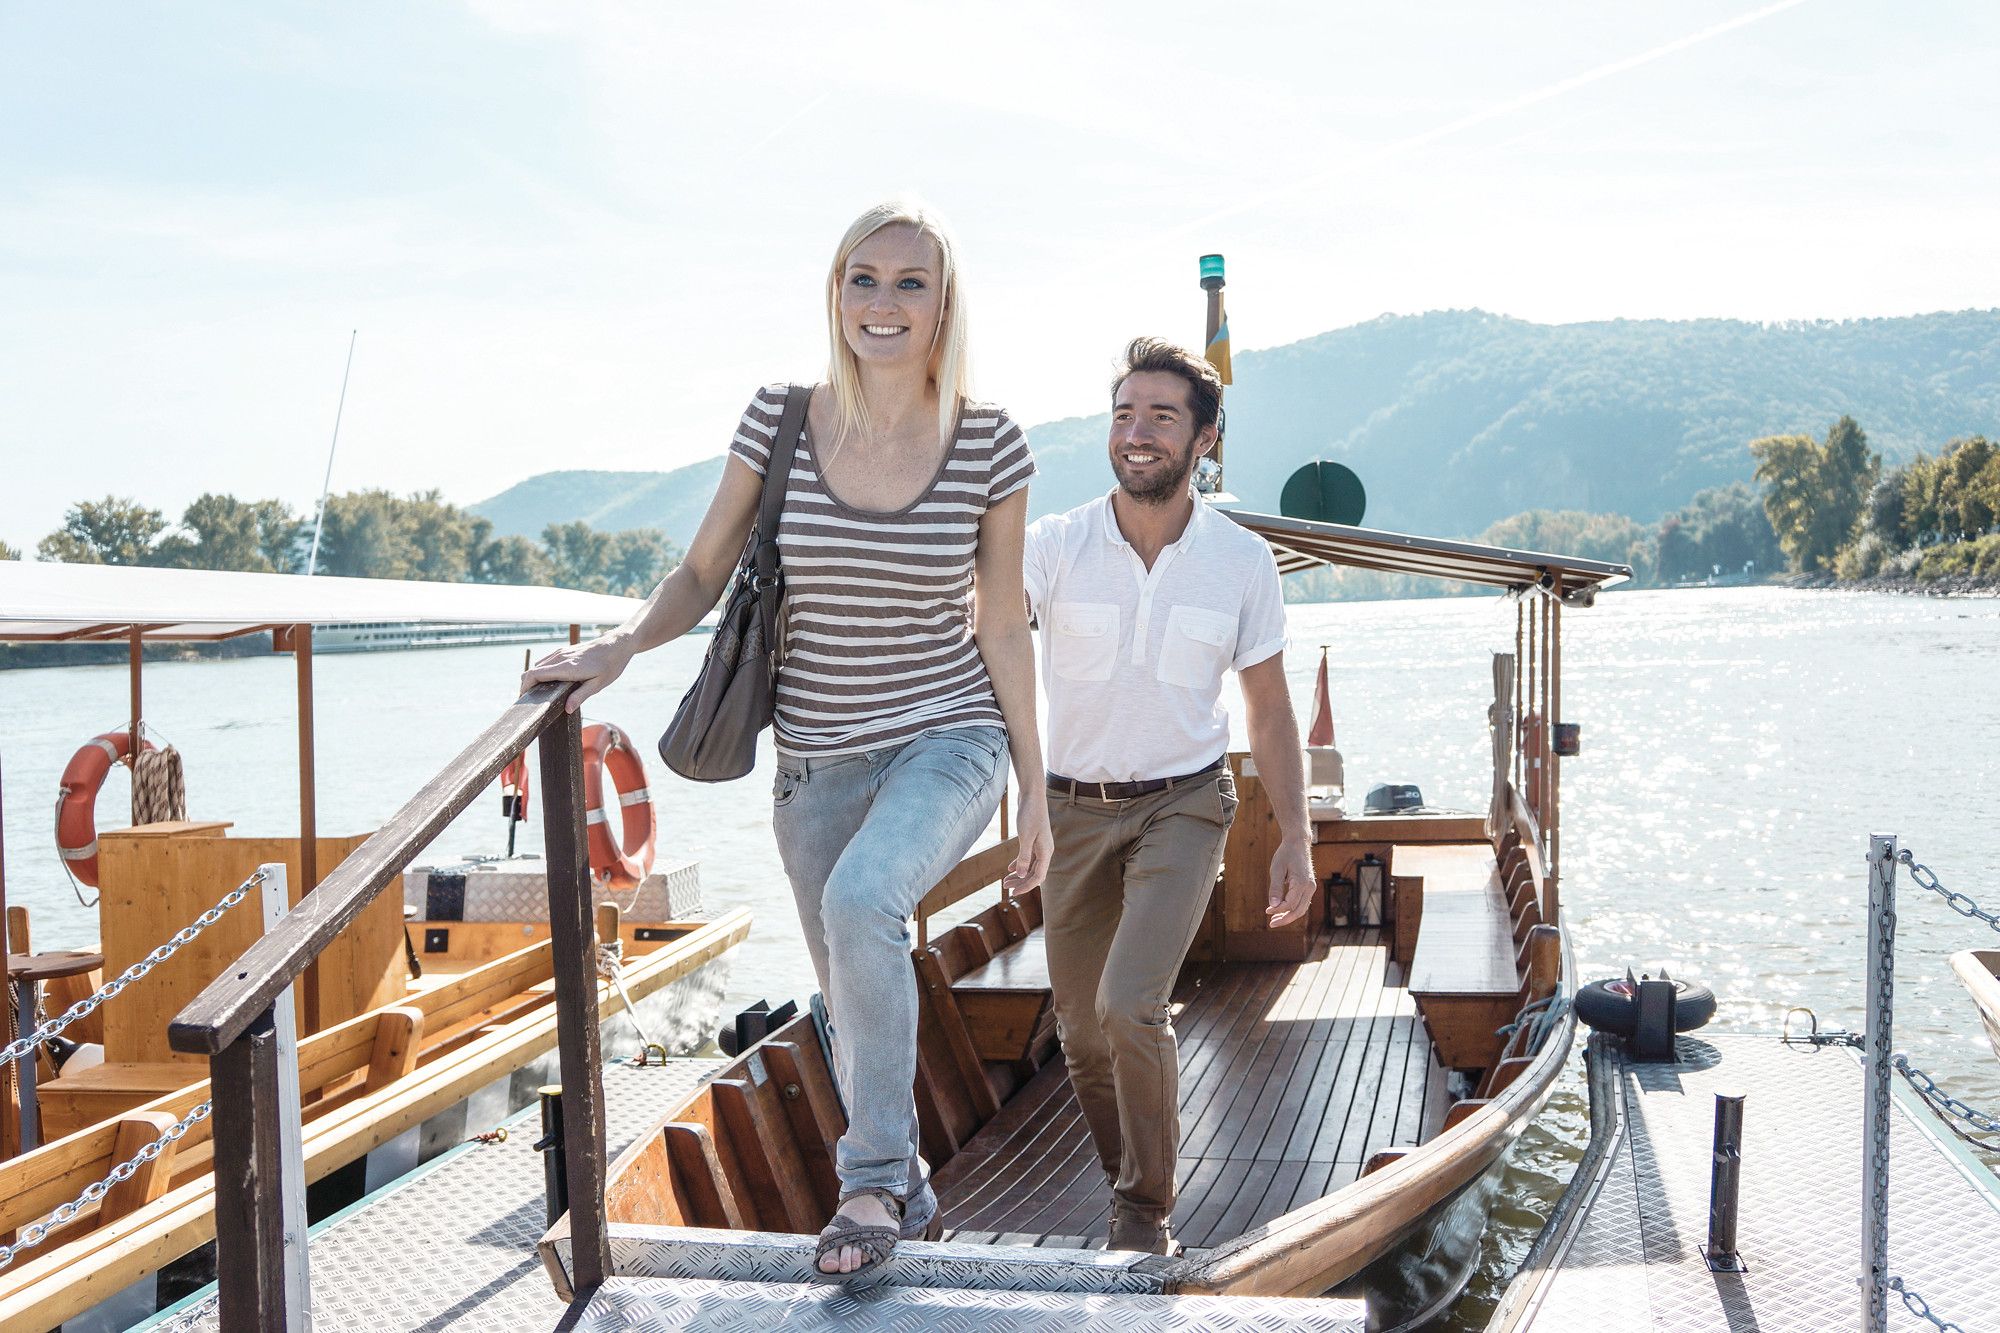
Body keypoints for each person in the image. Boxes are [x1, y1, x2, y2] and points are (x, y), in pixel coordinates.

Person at [522, 201, 1052, 1280]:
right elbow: (701, 570)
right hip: (810, 761)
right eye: (862, 280)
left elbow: (1002, 618)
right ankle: (909, 1190)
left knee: (866, 904)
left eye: (909, 282)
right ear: (834, 294)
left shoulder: (988, 438)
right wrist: (619, 647)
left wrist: (1034, 786)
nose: (883, 303)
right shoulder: (779, 417)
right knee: (848, 994)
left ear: (943, 301)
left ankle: (867, 1182)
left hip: (946, 734)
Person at [1023, 336, 1314, 1255]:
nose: (1137, 432)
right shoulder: (1054, 547)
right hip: (1070, 811)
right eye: (1123, 413)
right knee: (1078, 1028)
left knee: (1127, 1004)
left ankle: (1143, 1212)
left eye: (1161, 415)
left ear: (1204, 438)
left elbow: (1268, 710)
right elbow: (977, 637)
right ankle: (1130, 1175)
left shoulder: (1242, 561)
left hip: (1183, 807)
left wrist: (1296, 836)